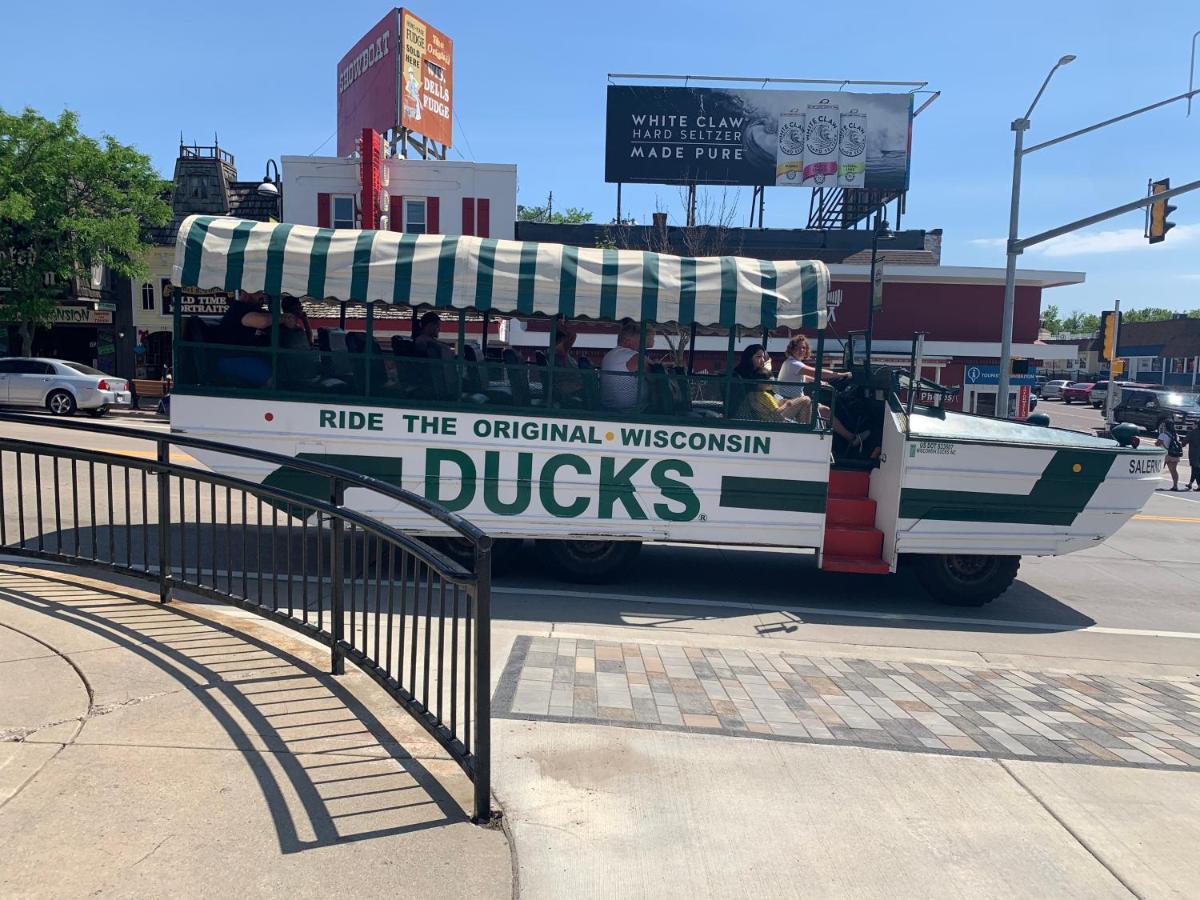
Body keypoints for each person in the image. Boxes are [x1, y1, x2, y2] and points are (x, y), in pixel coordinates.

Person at [732, 344, 812, 423]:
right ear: (749, 358)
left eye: (763, 357)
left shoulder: (756, 374)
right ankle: (805, 432)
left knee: (802, 404)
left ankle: (800, 431)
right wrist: (786, 404)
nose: (763, 360)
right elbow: (762, 403)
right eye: (758, 357)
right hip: (770, 418)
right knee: (806, 400)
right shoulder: (744, 377)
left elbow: (769, 399)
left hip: (769, 412)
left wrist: (782, 401)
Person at [601, 317, 653, 411]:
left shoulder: (613, 354)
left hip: (614, 407)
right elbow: (652, 371)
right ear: (628, 342)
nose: (642, 346)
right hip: (629, 411)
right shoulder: (628, 354)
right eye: (640, 342)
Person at [551, 320, 582, 403]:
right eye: (565, 338)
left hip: (572, 383)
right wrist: (563, 328)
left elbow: (573, 336)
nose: (569, 340)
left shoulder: (564, 352)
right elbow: (573, 335)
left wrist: (564, 327)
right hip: (566, 385)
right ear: (561, 340)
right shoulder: (558, 352)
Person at [1158, 419, 1184, 491]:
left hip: (1164, 454)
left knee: (1158, 470)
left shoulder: (1162, 435)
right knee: (1173, 471)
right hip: (1173, 454)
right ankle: (1175, 485)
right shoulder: (1175, 435)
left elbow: (1158, 443)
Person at [1184, 421, 1200, 491]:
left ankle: (1199, 485)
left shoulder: (1193, 432)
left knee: (1196, 469)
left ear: (1196, 425)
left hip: (1195, 454)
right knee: (1194, 469)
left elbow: (1184, 442)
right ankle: (1190, 483)